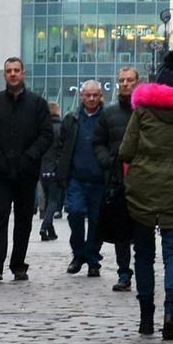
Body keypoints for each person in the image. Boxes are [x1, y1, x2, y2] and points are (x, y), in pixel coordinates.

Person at [118, 51, 173, 340]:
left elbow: (125, 151)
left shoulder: (142, 112)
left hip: (141, 190)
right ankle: (171, 310)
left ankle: (146, 318)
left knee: (143, 254)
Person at [0, 57, 53, 281]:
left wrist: (30, 156)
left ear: (23, 74)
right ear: (4, 75)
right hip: (1, 170)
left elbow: (45, 134)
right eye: (9, 70)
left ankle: (18, 263)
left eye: (16, 70)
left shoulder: (37, 104)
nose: (12, 74)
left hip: (26, 171)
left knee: (23, 219)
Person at [53, 80, 106, 277]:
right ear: (81, 96)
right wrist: (61, 167)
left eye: (95, 95)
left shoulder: (105, 118)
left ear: (100, 96)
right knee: (74, 213)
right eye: (88, 95)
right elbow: (60, 146)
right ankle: (78, 253)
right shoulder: (72, 118)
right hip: (76, 178)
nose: (91, 98)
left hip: (99, 180)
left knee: (96, 222)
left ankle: (93, 259)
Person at [94, 66, 139, 291]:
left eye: (129, 80)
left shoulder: (146, 111)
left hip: (142, 179)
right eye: (121, 80)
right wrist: (107, 161)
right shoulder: (110, 114)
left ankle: (142, 270)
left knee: (141, 229)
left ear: (137, 82)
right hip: (117, 179)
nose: (125, 84)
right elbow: (98, 142)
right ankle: (124, 273)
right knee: (121, 230)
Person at [38, 102, 63, 241]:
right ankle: (45, 225)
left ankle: (50, 231)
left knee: (48, 199)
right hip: (56, 168)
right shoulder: (61, 128)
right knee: (54, 200)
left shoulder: (42, 129)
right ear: (58, 112)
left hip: (43, 168)